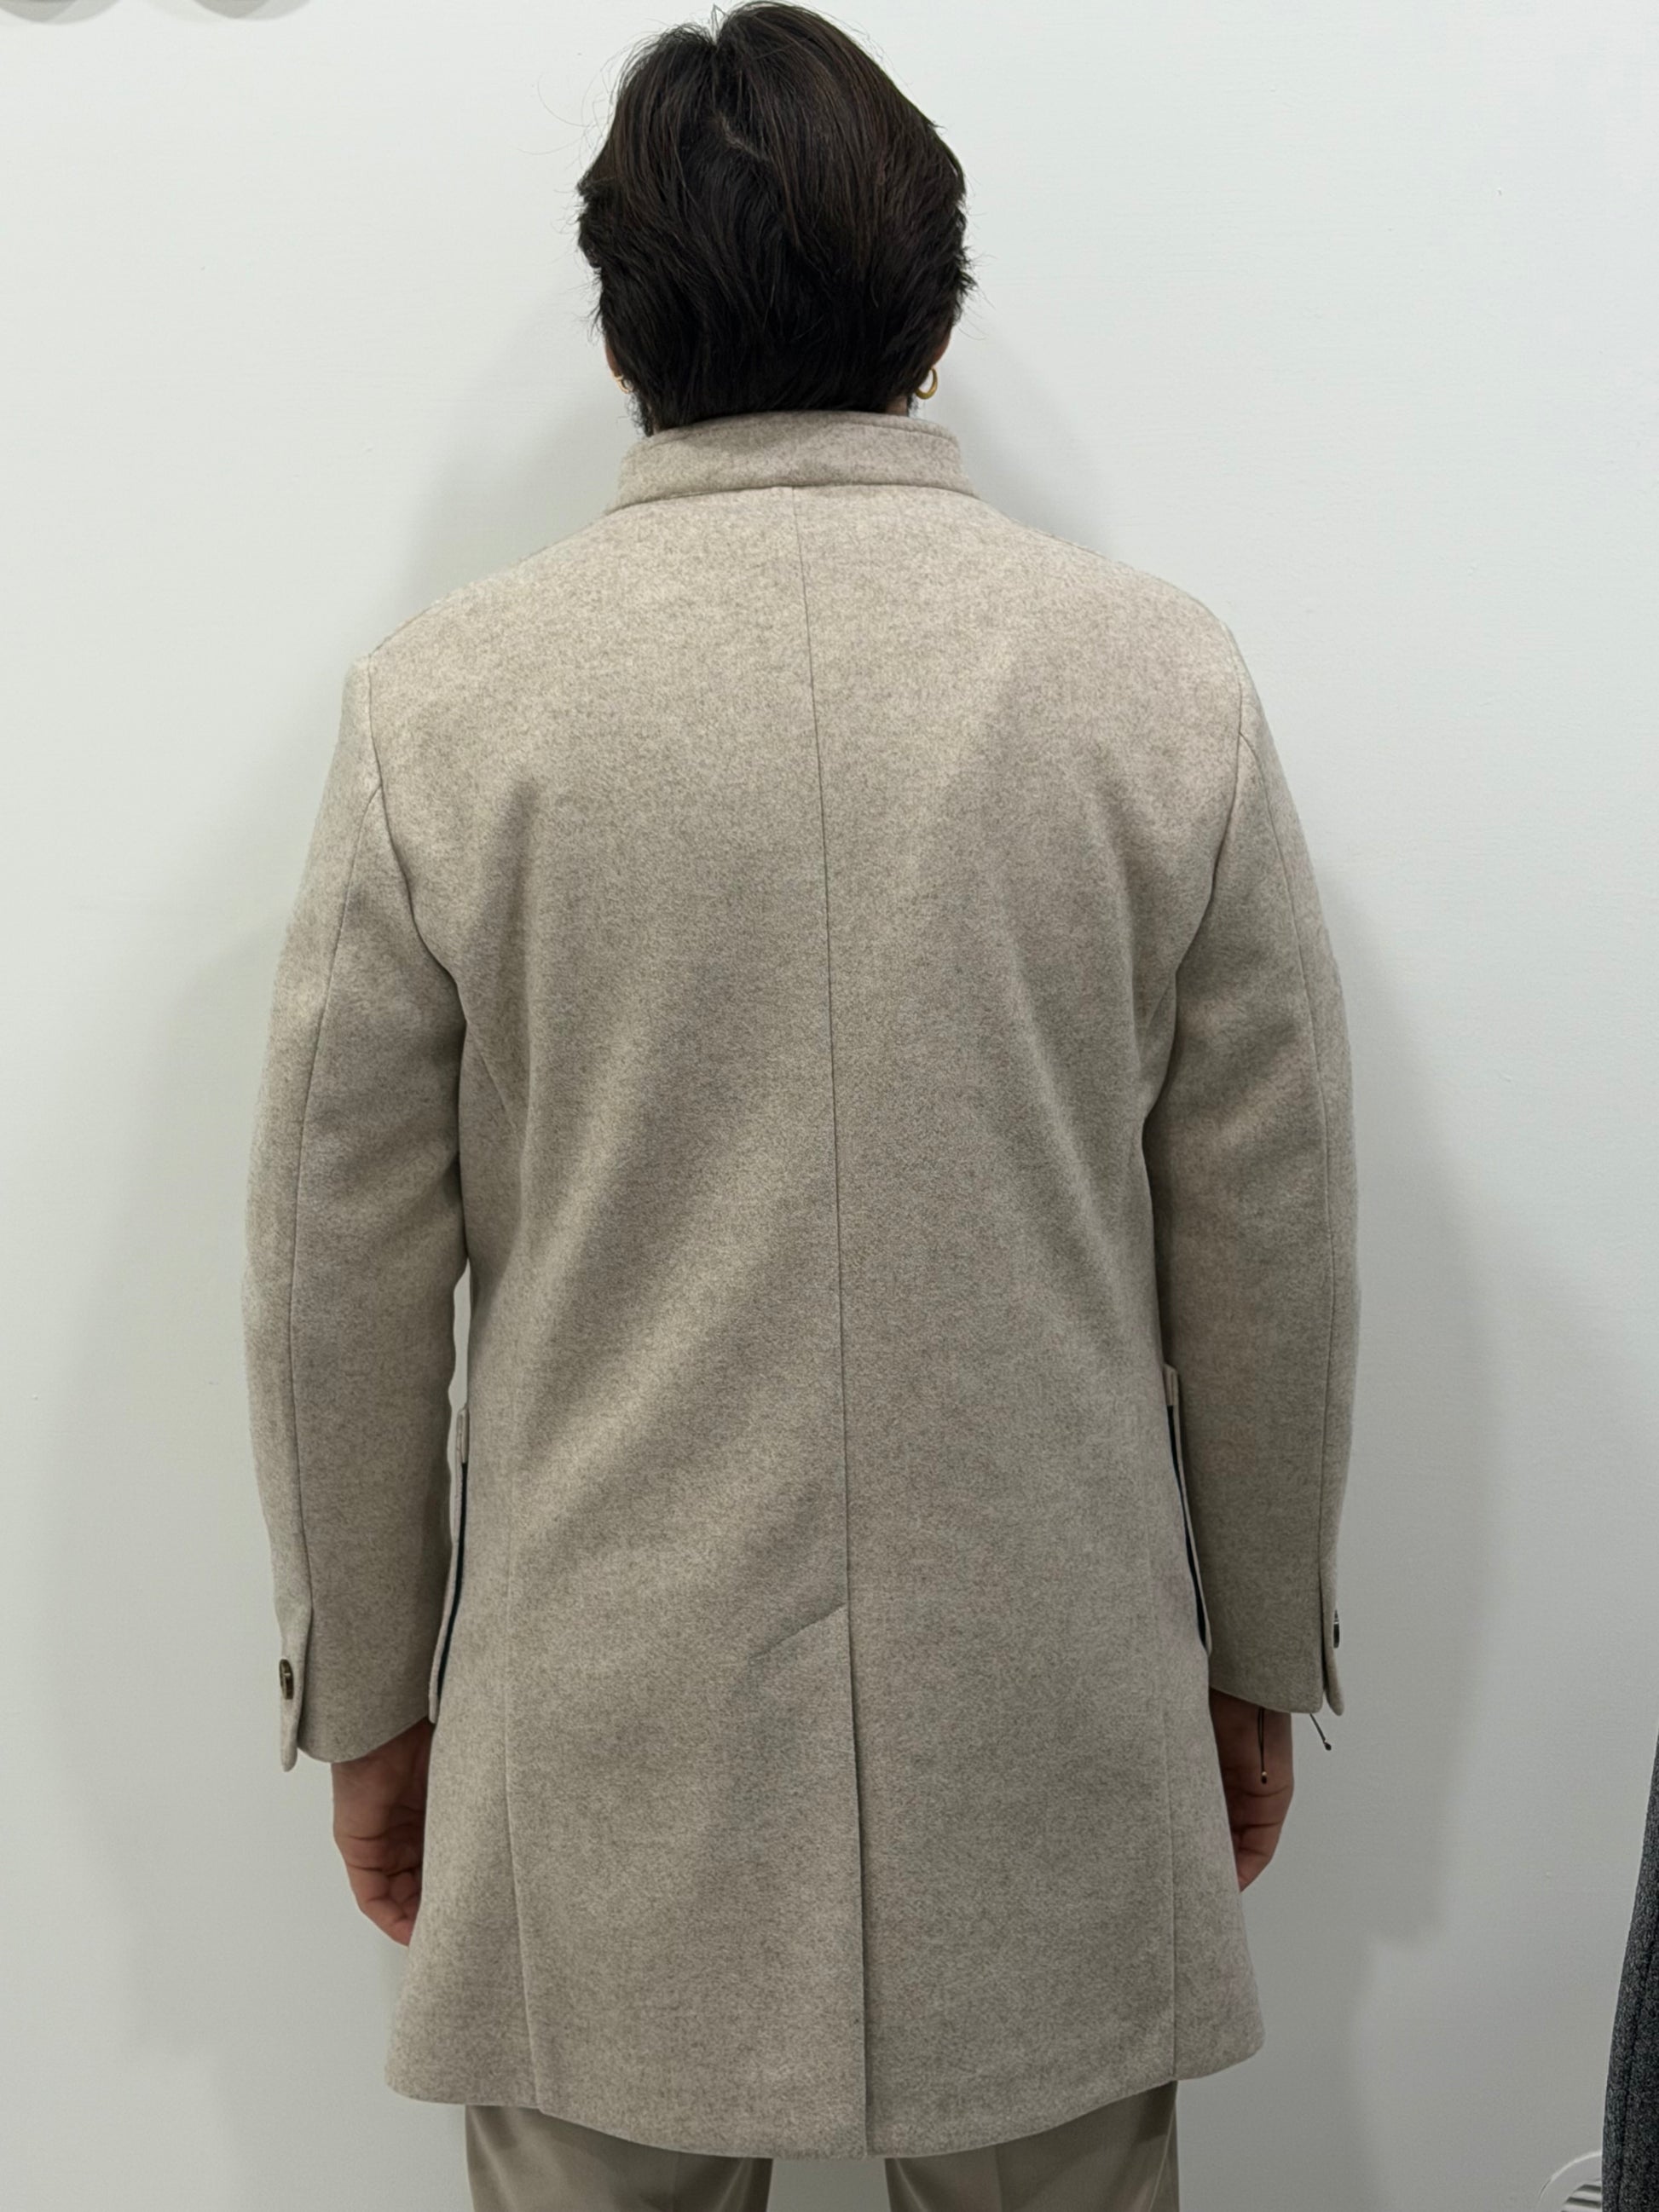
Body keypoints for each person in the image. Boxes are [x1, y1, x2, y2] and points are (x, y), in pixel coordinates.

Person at [240, 6, 1361, 2208]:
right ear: (933, 320)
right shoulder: (1159, 684)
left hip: (603, 1714)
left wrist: (366, 1695)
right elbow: (1270, 1230)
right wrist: (1252, 1644)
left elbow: (329, 1268)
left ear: (621, 325)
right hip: (1044, 1685)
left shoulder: (444, 710)